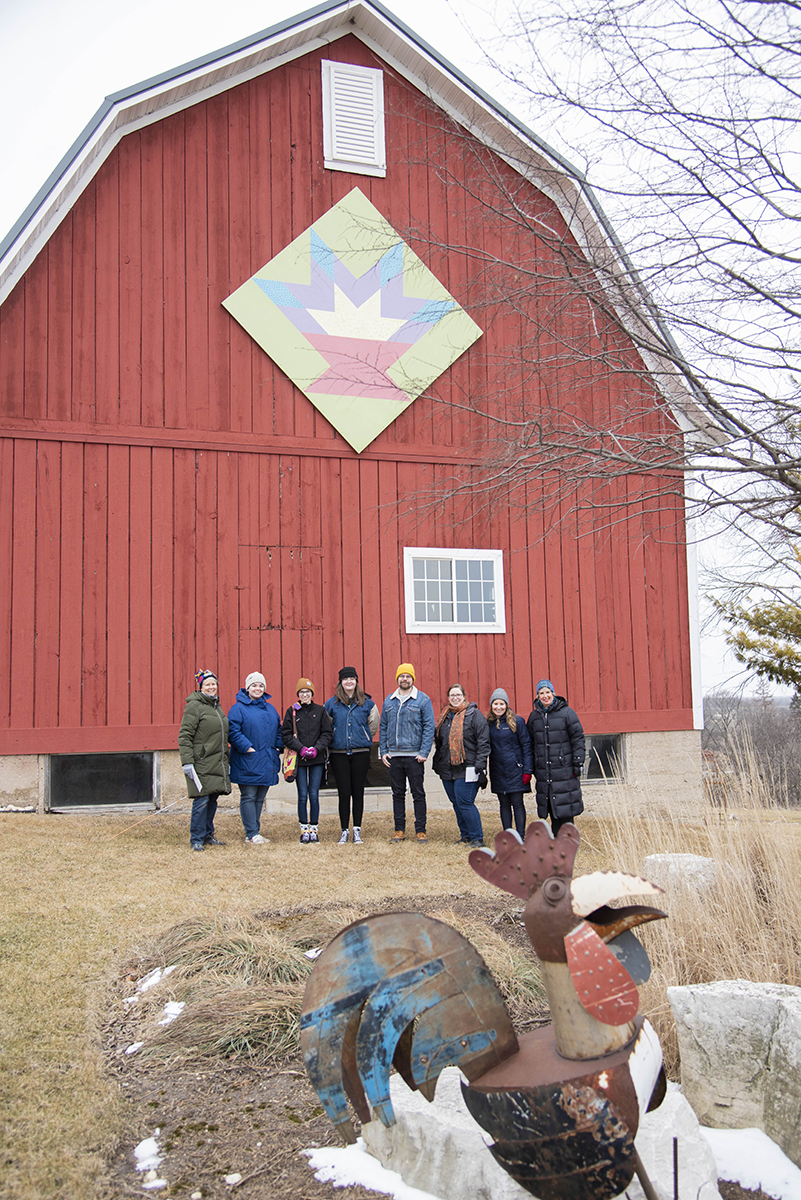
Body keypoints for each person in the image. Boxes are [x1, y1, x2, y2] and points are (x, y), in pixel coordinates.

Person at [379, 663, 436, 843]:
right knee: (398, 793)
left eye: (408, 676)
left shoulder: (423, 700)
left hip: (414, 756)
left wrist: (424, 751)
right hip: (394, 757)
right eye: (401, 676)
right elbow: (383, 727)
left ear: (413, 679)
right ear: (397, 679)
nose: (405, 679)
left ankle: (420, 830)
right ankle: (399, 830)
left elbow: (429, 727)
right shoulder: (389, 700)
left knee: (418, 792)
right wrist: (383, 751)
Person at [324, 667, 380, 845]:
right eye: (345, 679)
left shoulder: (368, 703)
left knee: (358, 792)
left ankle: (357, 830)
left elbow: (373, 725)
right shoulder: (331, 704)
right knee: (343, 793)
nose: (349, 682)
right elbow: (326, 727)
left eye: (352, 679)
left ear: (357, 681)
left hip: (360, 753)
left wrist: (361, 737)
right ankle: (344, 830)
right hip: (338, 754)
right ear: (340, 682)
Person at [178, 669, 231, 851]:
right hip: (201, 761)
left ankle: (208, 834)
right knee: (201, 800)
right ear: (201, 687)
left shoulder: (216, 706)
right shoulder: (194, 706)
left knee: (213, 799)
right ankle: (197, 838)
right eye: (207, 684)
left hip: (217, 760)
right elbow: (185, 736)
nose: (211, 687)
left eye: (213, 684)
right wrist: (187, 762)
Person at [228, 671, 282, 845]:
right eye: (254, 685)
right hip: (247, 760)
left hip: (267, 759)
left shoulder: (270, 708)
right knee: (249, 796)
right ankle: (251, 832)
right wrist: (247, 748)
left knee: (260, 797)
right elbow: (233, 731)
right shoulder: (238, 708)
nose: (257, 689)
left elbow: (278, 730)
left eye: (260, 686)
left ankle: (254, 831)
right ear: (247, 688)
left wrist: (279, 747)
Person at [433, 683, 490, 847]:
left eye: (458, 695)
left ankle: (477, 838)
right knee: (456, 803)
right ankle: (465, 836)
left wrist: (481, 764)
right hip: (447, 768)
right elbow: (440, 742)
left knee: (465, 802)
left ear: (464, 696)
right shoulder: (445, 716)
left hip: (469, 767)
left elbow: (483, 741)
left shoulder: (474, 715)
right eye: (452, 695)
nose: (455, 698)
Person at [526, 679, 585, 834]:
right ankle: (556, 840)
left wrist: (578, 761)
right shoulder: (534, 717)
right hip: (544, 771)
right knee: (551, 805)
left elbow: (578, 738)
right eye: (541, 693)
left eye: (547, 692)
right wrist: (533, 765)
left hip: (564, 769)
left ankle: (568, 840)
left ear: (553, 693)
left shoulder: (567, 713)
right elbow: (531, 743)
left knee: (566, 806)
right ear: (537, 696)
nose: (545, 696)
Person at [281, 677, 333, 843]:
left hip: (316, 759)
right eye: (302, 692)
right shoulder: (292, 712)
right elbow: (286, 734)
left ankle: (314, 829)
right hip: (300, 760)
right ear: (298, 694)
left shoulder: (320, 710)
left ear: (312, 694)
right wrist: (301, 748)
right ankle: (304, 828)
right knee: (302, 795)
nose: (305, 695)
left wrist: (316, 748)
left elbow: (327, 733)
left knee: (314, 794)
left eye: (308, 692)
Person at [486, 688, 533, 839]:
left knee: (517, 803)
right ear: (491, 705)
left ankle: (520, 835)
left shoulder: (517, 722)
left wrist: (527, 770)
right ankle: (508, 834)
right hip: (498, 770)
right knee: (504, 804)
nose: (498, 707)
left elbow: (526, 746)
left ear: (506, 704)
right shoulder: (489, 723)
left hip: (516, 770)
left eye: (501, 704)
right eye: (495, 704)